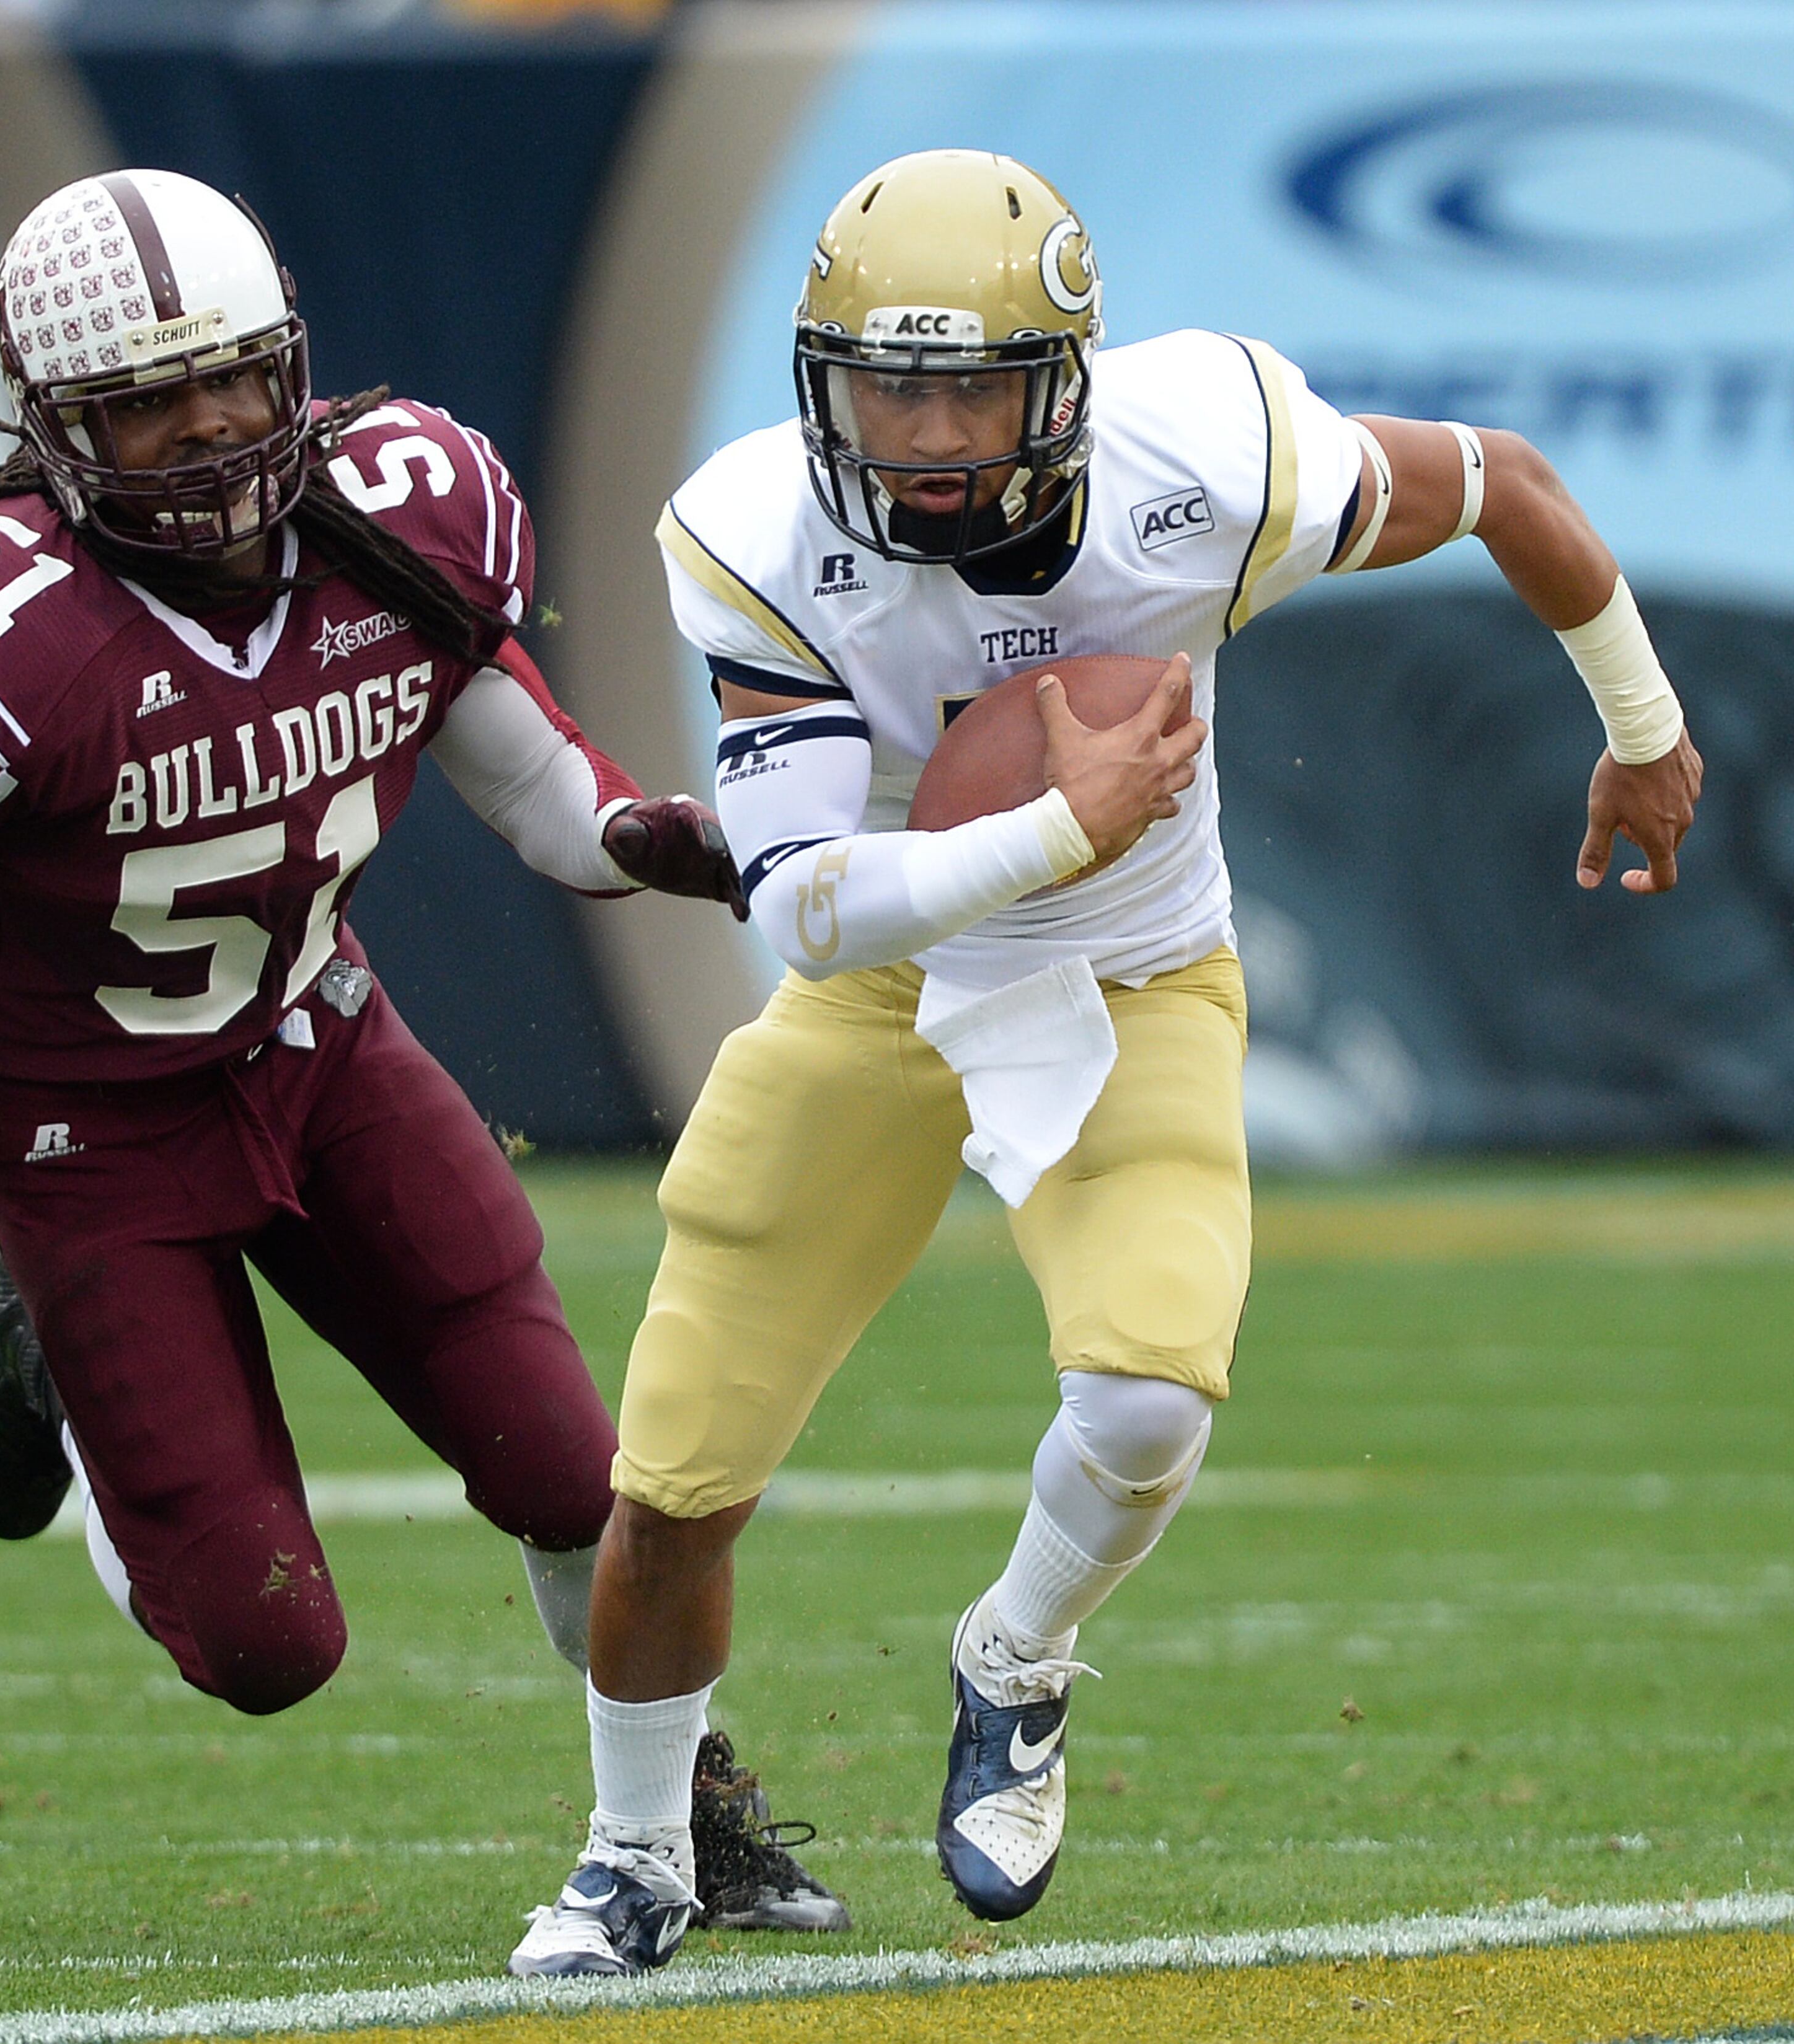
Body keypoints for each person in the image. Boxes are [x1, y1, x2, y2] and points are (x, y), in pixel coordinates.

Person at [508, 148, 1703, 1976]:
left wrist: (1642, 724)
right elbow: (808, 909)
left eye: (971, 389)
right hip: (882, 990)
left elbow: (1503, 483)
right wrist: (1058, 825)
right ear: (820, 382)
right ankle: (637, 1852)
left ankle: (1018, 1653)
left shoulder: (1212, 457)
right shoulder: (761, 534)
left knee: (1149, 1398)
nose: (924, 436)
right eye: (885, 387)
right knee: (676, 1478)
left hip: (1134, 976)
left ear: (1063, 384)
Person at [0, 168, 842, 1932]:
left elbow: (546, 793)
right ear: (58, 428)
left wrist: (672, 841)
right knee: (265, 1646)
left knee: (580, 1475)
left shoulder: (393, 517)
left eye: (234, 375)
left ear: (291, 360)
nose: (208, 428)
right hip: (85, 1132)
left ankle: (685, 1808)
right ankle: (64, 1366)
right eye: (146, 400)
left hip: (322, 1050)